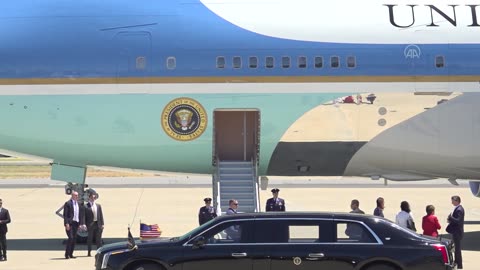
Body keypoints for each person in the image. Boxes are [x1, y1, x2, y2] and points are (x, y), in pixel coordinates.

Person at [63, 191, 85, 259]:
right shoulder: (68, 203)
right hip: (70, 223)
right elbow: (65, 215)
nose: (77, 197)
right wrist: (66, 223)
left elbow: (80, 215)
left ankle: (71, 254)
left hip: (76, 223)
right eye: (76, 195)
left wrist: (80, 224)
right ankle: (67, 254)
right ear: (72, 196)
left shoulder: (78, 204)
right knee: (71, 238)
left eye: (77, 195)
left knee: (74, 239)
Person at [446, 195, 464, 269]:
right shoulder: (457, 208)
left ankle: (459, 264)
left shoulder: (459, 209)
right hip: (456, 232)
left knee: (457, 249)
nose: (452, 202)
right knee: (456, 248)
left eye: (452, 201)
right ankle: (457, 263)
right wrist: (450, 220)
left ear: (456, 201)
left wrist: (451, 218)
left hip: (457, 232)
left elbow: (458, 221)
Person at [85, 192, 104, 257]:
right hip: (90, 224)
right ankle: (89, 252)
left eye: (94, 197)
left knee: (98, 239)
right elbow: (84, 216)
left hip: (98, 223)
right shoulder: (86, 206)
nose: (93, 199)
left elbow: (101, 215)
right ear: (89, 198)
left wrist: (102, 224)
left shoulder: (98, 206)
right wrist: (84, 224)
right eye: (92, 197)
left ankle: (99, 252)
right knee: (90, 239)